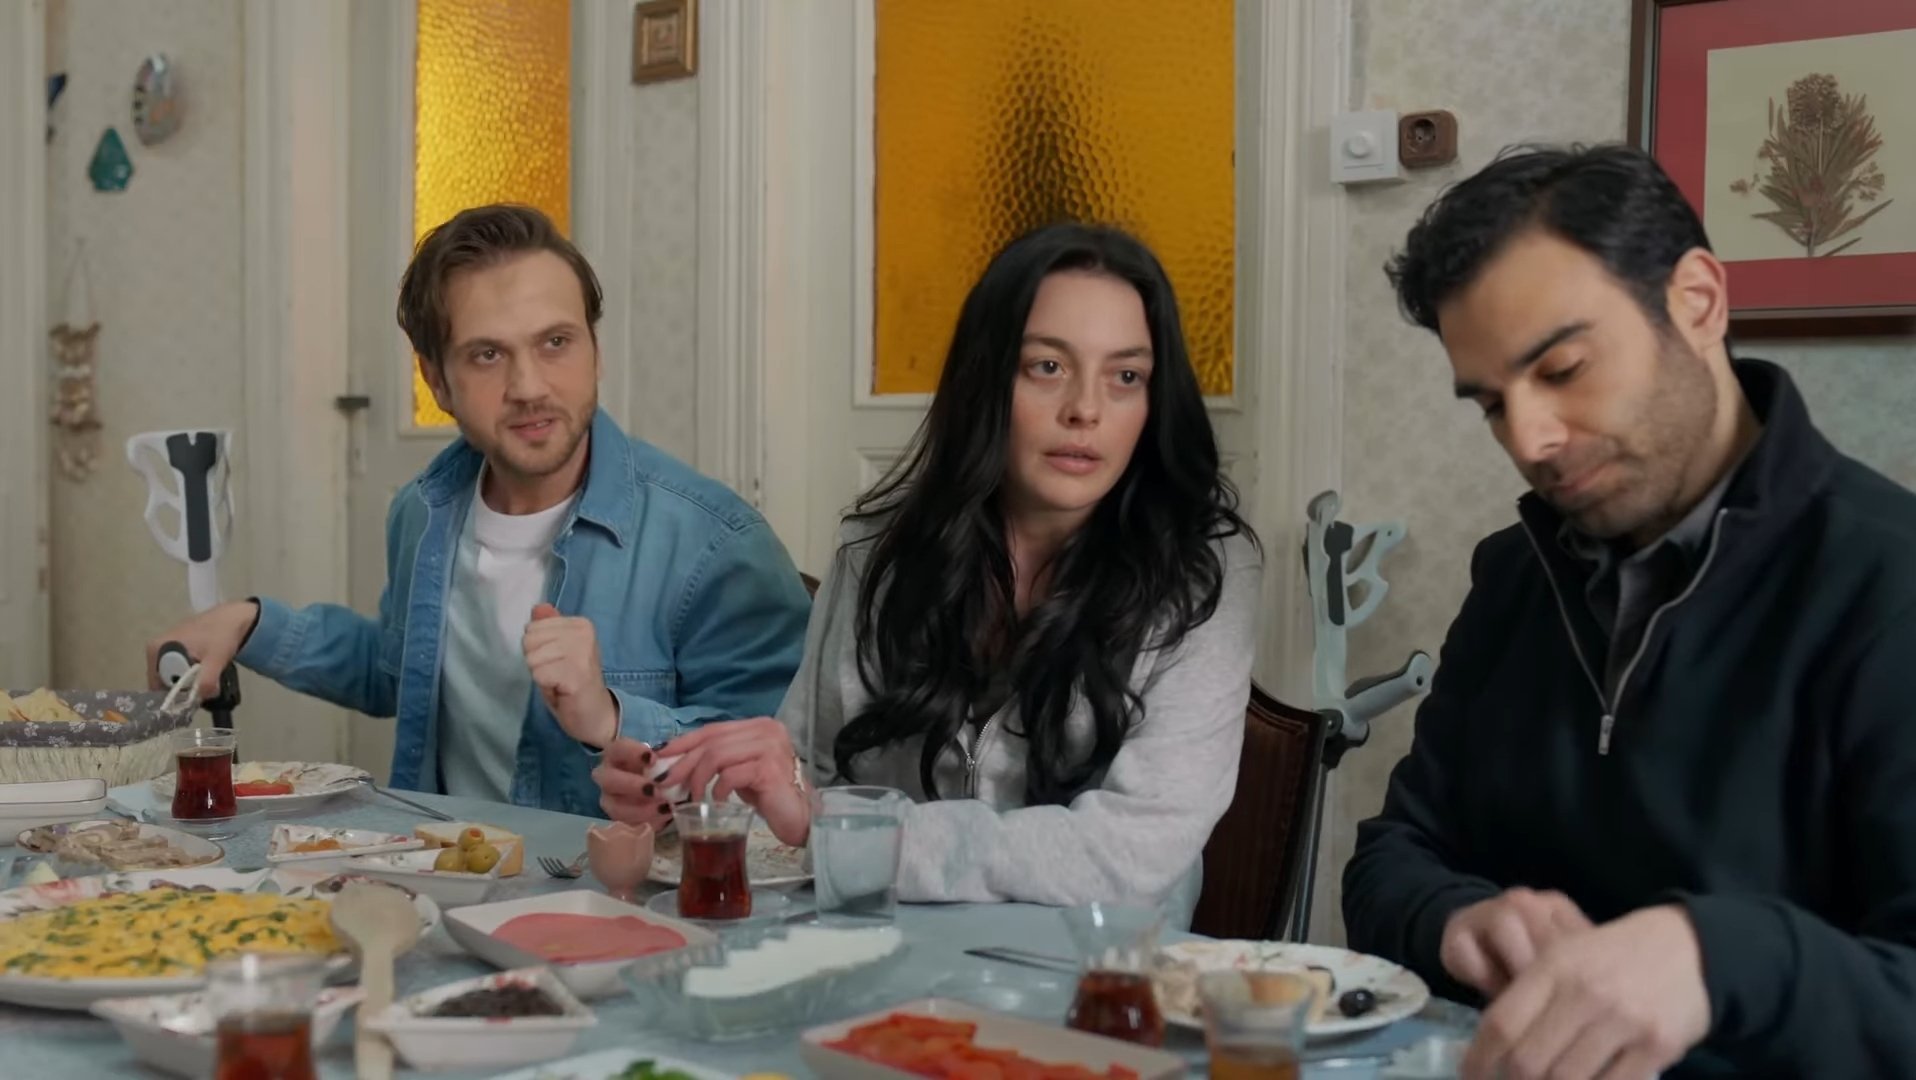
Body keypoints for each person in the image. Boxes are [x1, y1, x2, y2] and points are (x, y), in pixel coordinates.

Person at [1342, 143, 1916, 1079]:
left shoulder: (1891, 585)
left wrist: (1716, 959)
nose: (1530, 439)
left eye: (1563, 368)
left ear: (1698, 302)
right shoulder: (1514, 576)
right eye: (1491, 404)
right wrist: (1455, 921)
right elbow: (1390, 859)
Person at [595, 222, 1261, 924]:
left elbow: (1135, 848)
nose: (1085, 411)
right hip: (885, 954)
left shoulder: (1204, 577)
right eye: (1047, 366)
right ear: (986, 377)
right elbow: (799, 788)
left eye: (1126, 377)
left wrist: (848, 830)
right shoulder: (876, 553)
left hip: (1100, 971)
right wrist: (686, 795)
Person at [146, 204, 812, 816]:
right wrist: (251, 623)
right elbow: (403, 670)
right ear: (437, 380)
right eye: (488, 355)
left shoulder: (716, 543)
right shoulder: (421, 512)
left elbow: (785, 772)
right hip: (443, 874)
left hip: (621, 893)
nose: (529, 387)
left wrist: (608, 717)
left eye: (556, 342)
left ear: (595, 350)